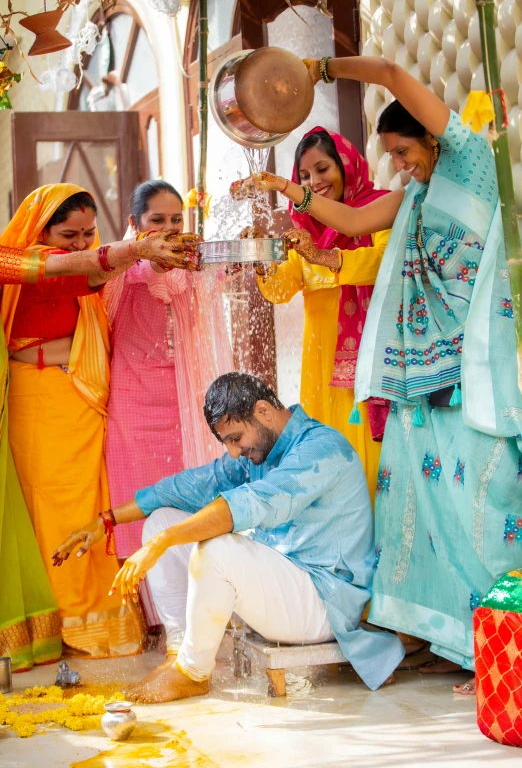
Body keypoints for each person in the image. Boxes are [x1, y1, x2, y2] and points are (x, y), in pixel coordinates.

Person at [236, 56, 522, 695]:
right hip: (417, 383)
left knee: (484, 513)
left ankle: (504, 650)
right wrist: (291, 195)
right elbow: (356, 223)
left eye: (403, 150)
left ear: (431, 137)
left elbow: (391, 74)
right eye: (390, 156)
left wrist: (320, 67)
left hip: (469, 377)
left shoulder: (469, 165)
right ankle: (461, 643)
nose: (399, 164)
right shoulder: (415, 195)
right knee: (425, 515)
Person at [53, 372, 405, 703]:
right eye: (228, 443)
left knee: (216, 546)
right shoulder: (258, 453)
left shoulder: (321, 449)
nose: (234, 451)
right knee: (160, 522)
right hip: (285, 590)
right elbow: (188, 486)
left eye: (236, 438)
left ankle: (192, 673)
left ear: (263, 411)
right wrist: (108, 520)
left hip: (324, 604)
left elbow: (255, 503)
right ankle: (179, 652)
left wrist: (164, 544)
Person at [2, 182, 199, 659]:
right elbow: (61, 270)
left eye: (88, 233)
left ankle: (101, 618)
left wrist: (135, 255)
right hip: (40, 399)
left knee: (94, 507)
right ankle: (65, 621)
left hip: (87, 399)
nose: (79, 245)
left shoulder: (93, 267)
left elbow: (89, 275)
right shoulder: (19, 261)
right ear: (40, 229)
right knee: (52, 509)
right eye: (69, 234)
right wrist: (129, 250)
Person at [103, 181, 234, 625]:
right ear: (134, 225)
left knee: (181, 498)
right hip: (132, 407)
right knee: (135, 500)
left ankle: (188, 610)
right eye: (157, 220)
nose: (170, 228)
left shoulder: (190, 266)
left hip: (181, 404)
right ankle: (150, 620)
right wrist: (139, 257)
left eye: (176, 219)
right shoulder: (119, 268)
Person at [255, 127, 390, 499]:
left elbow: (383, 263)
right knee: (327, 459)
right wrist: (260, 262)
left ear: (347, 165)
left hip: (369, 363)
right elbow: (282, 289)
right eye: (304, 176)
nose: (314, 182)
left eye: (322, 169)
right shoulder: (308, 229)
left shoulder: (379, 208)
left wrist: (324, 257)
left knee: (371, 459)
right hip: (321, 370)